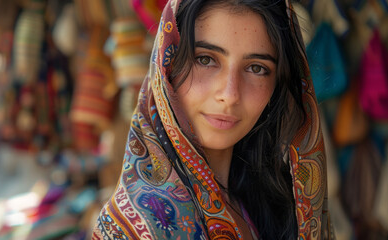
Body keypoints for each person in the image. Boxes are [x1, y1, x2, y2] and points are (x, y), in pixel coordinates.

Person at [92, 0, 333, 239]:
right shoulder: (132, 229)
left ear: (276, 87)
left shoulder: (277, 206)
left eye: (257, 68)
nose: (229, 95)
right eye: (205, 59)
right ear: (167, 68)